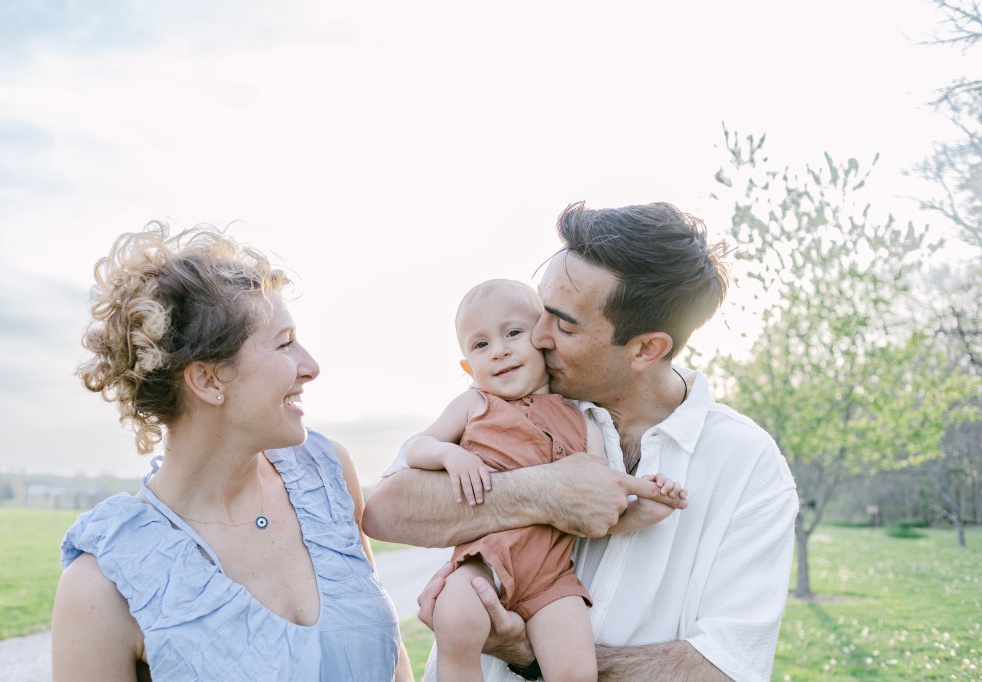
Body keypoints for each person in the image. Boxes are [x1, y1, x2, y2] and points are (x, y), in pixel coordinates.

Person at [363, 202, 799, 682]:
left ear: (645, 349)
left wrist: (527, 651)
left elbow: (723, 667)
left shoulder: (747, 465)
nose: (537, 337)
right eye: (539, 311)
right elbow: (385, 511)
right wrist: (544, 492)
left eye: (564, 325)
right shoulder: (513, 398)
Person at [50, 222, 413, 681]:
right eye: (284, 344)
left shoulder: (328, 475)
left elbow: (391, 657)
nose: (311, 367)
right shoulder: (101, 588)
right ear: (207, 380)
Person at [406, 279, 685, 682]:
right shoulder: (474, 405)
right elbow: (418, 446)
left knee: (575, 668)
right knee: (455, 619)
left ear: (542, 342)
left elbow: (601, 505)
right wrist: (450, 453)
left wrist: (645, 510)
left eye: (513, 333)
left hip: (550, 576)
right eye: (480, 345)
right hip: (484, 561)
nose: (498, 350)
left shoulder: (582, 420)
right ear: (468, 367)